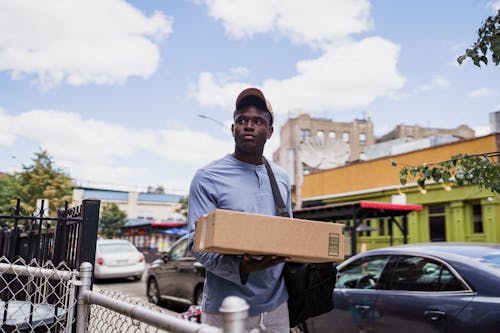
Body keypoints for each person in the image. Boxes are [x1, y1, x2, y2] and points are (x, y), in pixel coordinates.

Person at [187, 88, 293, 332]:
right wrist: (241, 268)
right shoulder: (208, 177)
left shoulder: (282, 178)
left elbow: (289, 233)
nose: (248, 126)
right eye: (241, 120)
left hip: (277, 305)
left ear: (269, 132)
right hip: (226, 307)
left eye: (258, 121)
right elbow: (197, 243)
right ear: (232, 128)